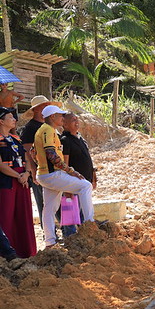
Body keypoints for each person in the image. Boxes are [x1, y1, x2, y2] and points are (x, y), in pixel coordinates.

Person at [34, 105, 97, 248]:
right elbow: (51, 155)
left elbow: (33, 151)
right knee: (85, 185)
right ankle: (89, 223)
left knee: (49, 208)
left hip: (45, 174)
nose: (63, 118)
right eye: (60, 115)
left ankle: (50, 241)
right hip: (52, 174)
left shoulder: (44, 131)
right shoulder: (48, 131)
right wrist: (70, 171)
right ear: (52, 117)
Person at [0, 107, 36, 257]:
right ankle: (6, 254)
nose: (14, 119)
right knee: (6, 216)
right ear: (1, 121)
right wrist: (18, 175)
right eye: (10, 117)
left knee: (24, 215)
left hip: (23, 181)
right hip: (7, 181)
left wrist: (27, 173)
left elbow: (26, 158)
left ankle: (26, 251)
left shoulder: (16, 139)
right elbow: (1, 165)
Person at [20, 95, 59, 225]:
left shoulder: (48, 126)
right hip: (41, 170)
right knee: (43, 202)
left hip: (52, 169)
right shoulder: (30, 128)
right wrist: (33, 170)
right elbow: (27, 150)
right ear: (37, 109)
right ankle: (47, 231)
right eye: (44, 106)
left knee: (54, 200)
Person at [60, 113, 97, 237]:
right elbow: (65, 163)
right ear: (64, 124)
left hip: (85, 180)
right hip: (73, 181)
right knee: (70, 208)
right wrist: (67, 186)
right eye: (73, 120)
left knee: (81, 209)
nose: (77, 122)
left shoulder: (80, 138)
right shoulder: (65, 140)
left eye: (77, 119)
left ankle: (85, 232)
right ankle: (70, 236)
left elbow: (88, 159)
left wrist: (93, 177)